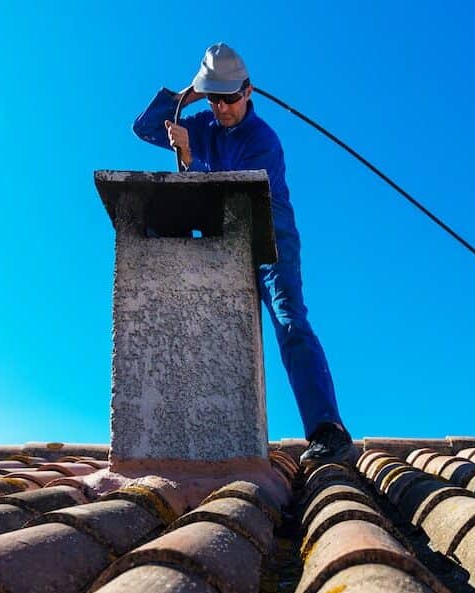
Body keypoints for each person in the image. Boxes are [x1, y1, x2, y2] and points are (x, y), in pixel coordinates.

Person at [133, 42, 353, 465]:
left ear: (248, 91)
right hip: (226, 238)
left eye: (230, 97)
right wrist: (186, 96)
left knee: (289, 321)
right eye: (215, 98)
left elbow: (237, 189)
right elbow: (145, 128)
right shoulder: (204, 123)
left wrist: (190, 157)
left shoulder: (263, 139)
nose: (223, 108)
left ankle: (328, 429)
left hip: (270, 239)